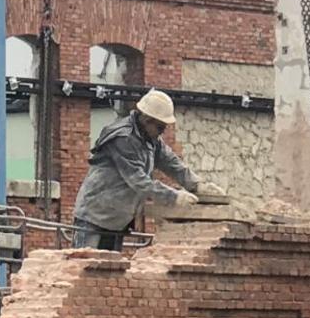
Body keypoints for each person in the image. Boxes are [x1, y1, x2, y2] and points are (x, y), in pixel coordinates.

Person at [72, 89, 218, 251]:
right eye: (160, 127)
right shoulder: (123, 138)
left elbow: (170, 162)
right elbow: (138, 180)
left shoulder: (151, 138)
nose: (163, 131)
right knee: (84, 266)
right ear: (147, 120)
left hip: (116, 219)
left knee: (108, 271)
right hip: (94, 215)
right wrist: (173, 197)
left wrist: (197, 185)